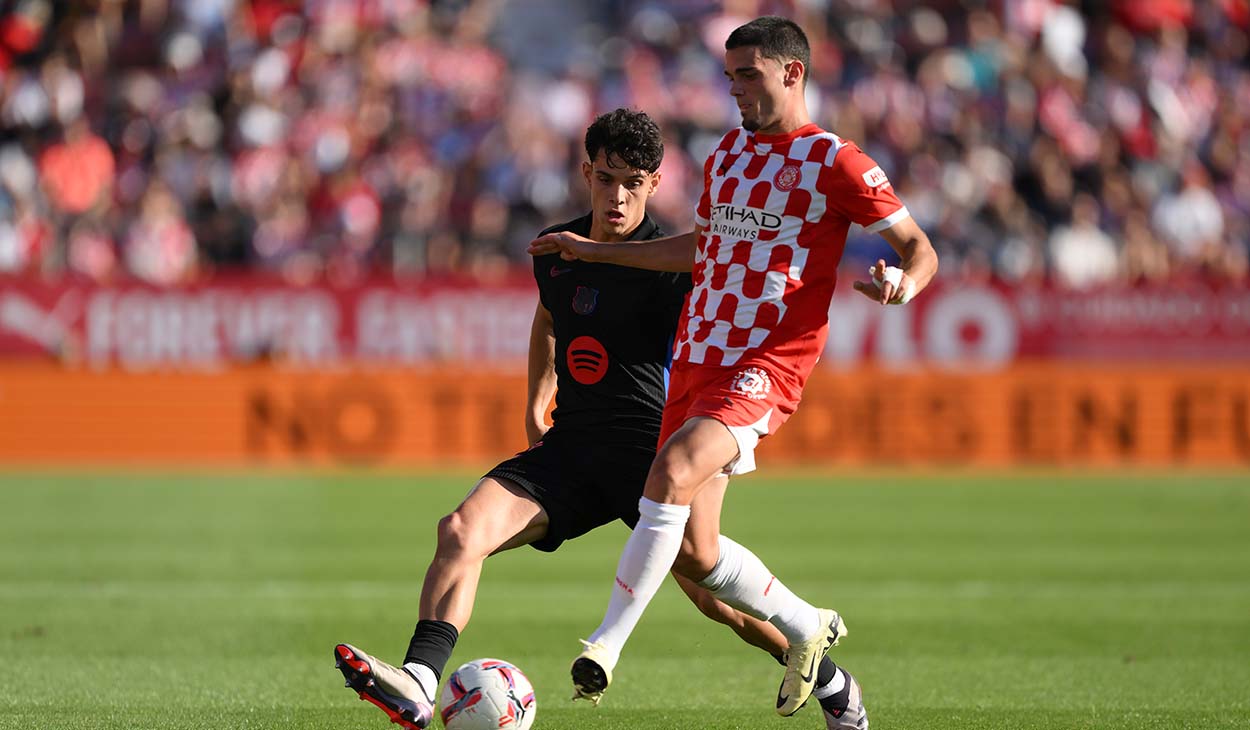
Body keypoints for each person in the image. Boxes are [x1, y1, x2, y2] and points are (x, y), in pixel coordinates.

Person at [333, 108, 867, 730]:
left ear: (655, 183)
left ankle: (830, 682)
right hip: (574, 448)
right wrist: (538, 395)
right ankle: (420, 681)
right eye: (607, 179)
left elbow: (737, 312)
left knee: (717, 599)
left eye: (634, 183)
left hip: (654, 456)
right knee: (458, 530)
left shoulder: (675, 263)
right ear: (587, 172)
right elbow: (550, 317)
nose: (619, 196)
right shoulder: (557, 249)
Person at [530, 15, 939, 720]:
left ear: (792, 72)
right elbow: (701, 251)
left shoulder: (834, 161)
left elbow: (919, 248)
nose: (736, 89)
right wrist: (594, 253)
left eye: (748, 74)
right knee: (694, 550)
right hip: (696, 360)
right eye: (730, 77)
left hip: (765, 361)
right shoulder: (727, 155)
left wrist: (901, 283)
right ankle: (818, 644)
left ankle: (605, 645)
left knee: (672, 474)